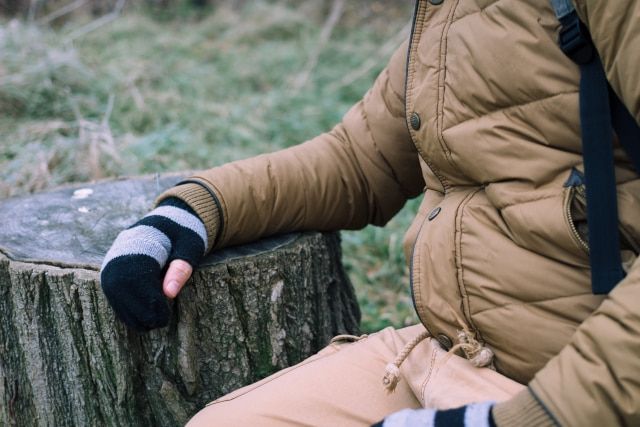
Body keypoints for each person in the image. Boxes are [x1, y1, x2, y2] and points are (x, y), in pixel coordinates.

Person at [100, 0, 640, 425]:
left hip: (585, 391)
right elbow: (360, 161)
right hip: (450, 354)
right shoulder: (449, 11)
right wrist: (193, 210)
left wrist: (527, 419)